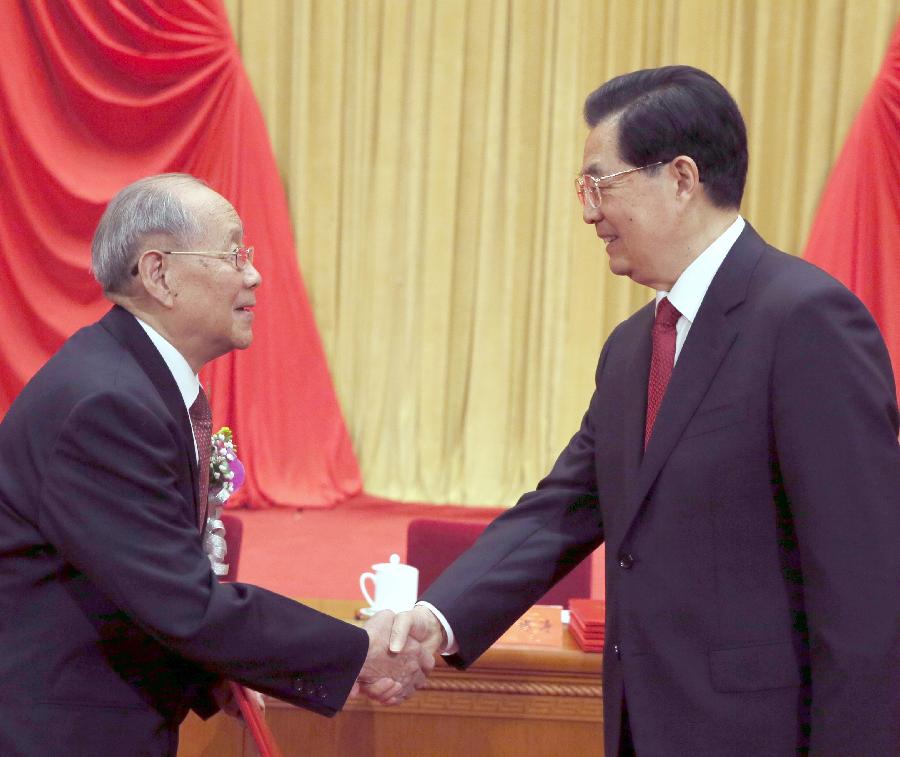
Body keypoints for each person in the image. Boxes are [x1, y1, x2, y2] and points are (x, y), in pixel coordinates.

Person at [389, 66, 900, 755]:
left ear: (681, 179)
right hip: (641, 724)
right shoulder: (634, 346)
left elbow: (864, 589)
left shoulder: (806, 320)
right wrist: (436, 618)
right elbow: (564, 507)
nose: (588, 210)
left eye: (601, 183)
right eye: (584, 188)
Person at [0, 174, 431, 756]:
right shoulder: (108, 403)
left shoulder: (125, 378)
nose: (253, 274)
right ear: (159, 274)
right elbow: (182, 602)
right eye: (233, 253)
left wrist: (214, 672)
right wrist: (357, 648)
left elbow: (128, 582)